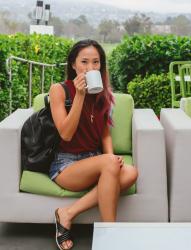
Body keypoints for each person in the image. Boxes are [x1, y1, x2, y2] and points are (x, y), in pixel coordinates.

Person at [49, 39, 138, 250]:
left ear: (101, 65)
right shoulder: (59, 90)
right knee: (110, 164)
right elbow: (66, 134)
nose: (90, 68)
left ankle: (67, 213)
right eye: (84, 62)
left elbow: (105, 133)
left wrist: (112, 159)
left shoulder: (103, 94)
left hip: (94, 160)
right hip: (66, 164)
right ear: (73, 65)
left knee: (131, 172)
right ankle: (110, 237)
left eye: (96, 62)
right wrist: (79, 96)